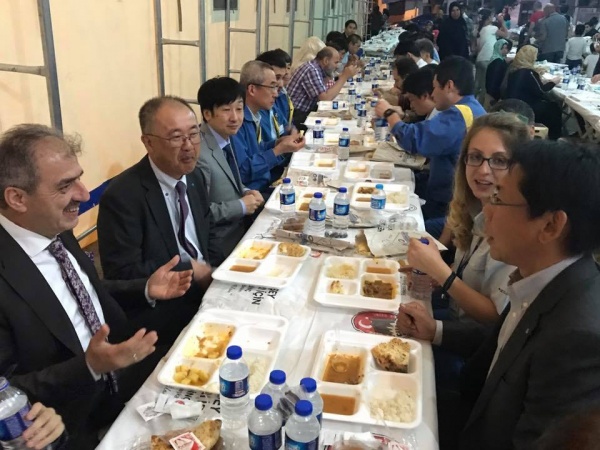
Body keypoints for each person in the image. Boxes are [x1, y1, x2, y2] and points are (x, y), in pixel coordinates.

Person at [0, 124, 184, 448]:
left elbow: (83, 290)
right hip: (71, 423)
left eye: (79, 179)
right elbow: (7, 390)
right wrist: (88, 367)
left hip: (124, 380)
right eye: (65, 185)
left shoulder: (53, 226)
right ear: (17, 198)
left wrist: (144, 288)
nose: (84, 195)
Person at [432, 140, 600, 449]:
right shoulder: (540, 276)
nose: (487, 210)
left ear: (550, 226)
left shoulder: (577, 338)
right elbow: (507, 346)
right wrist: (434, 330)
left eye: (498, 198)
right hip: (470, 408)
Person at [397, 113, 530, 392]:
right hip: (454, 319)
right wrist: (436, 274)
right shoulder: (476, 208)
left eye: (498, 160)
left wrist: (442, 274)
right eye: (475, 157)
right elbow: (466, 278)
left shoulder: (516, 231)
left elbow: (496, 319)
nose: (483, 170)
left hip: (472, 352)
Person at [98, 96, 213, 346]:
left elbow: (207, 233)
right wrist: (188, 267)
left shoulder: (195, 177)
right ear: (148, 142)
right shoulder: (123, 196)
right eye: (176, 137)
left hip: (208, 289)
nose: (189, 146)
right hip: (164, 309)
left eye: (194, 134)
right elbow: (121, 273)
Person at [375, 56, 486, 238]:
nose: (433, 94)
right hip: (444, 192)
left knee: (391, 229)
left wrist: (389, 114)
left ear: (449, 86)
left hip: (448, 203)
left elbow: (416, 139)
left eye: (435, 87)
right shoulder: (471, 108)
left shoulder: (460, 115)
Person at [196, 77, 263, 266]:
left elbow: (230, 179)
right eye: (226, 110)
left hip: (240, 230)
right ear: (207, 114)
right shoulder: (199, 153)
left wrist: (246, 191)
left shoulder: (224, 136)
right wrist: (241, 205)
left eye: (239, 109)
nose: (235, 118)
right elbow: (198, 213)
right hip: (220, 245)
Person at [231, 61, 305, 197]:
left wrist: (277, 143)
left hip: (266, 182)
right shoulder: (236, 122)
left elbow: (256, 149)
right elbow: (242, 172)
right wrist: (278, 150)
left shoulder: (255, 115)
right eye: (272, 87)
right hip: (254, 193)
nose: (276, 94)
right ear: (252, 90)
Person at [287, 46, 359, 128]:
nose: (336, 66)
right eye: (335, 62)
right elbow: (325, 98)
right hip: (295, 116)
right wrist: (344, 77)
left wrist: (344, 75)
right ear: (326, 61)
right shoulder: (312, 70)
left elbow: (329, 87)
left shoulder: (317, 68)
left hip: (305, 111)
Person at [504, 45, 562, 140]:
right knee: (554, 108)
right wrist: (553, 82)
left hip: (512, 104)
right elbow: (541, 90)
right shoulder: (528, 72)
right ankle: (554, 138)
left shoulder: (514, 69)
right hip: (526, 107)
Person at [475, 10, 508, 104]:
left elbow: (477, 47)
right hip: (488, 59)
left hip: (479, 59)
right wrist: (502, 22)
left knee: (477, 85)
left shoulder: (479, 29)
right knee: (485, 86)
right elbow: (506, 34)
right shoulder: (492, 28)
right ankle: (481, 106)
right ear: (489, 17)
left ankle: (470, 104)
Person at [485, 39, 512, 103]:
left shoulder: (496, 59)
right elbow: (494, 80)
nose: (505, 50)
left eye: (506, 48)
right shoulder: (497, 62)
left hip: (490, 93)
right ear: (498, 48)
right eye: (503, 48)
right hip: (493, 95)